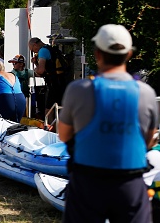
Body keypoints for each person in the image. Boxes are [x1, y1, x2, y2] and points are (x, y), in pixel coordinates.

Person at [58, 24, 158, 223]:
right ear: (129, 54)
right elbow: (148, 140)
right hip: (130, 183)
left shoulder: (79, 90)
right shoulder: (146, 93)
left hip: (88, 182)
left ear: (97, 54)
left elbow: (64, 135)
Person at [29, 37, 67, 115]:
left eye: (32, 50)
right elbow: (47, 69)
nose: (33, 52)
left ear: (35, 45)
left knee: (48, 110)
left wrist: (34, 70)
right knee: (58, 107)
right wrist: (36, 62)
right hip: (61, 82)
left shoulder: (42, 51)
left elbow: (40, 70)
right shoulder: (49, 48)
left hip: (53, 84)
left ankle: (50, 127)